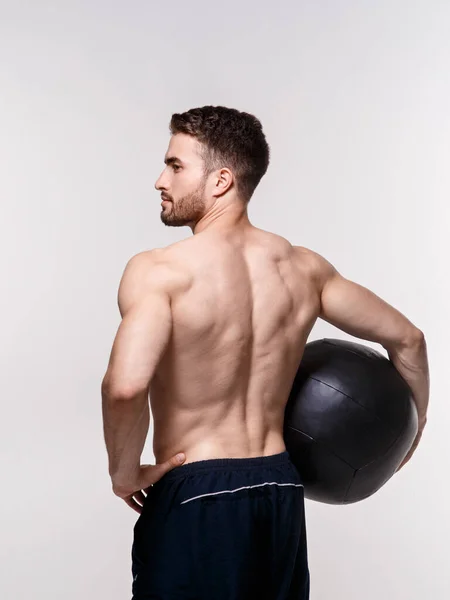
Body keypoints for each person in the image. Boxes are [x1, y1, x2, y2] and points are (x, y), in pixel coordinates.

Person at [101, 106, 429, 599]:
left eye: (175, 165)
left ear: (221, 181)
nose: (159, 180)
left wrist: (124, 474)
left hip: (196, 489)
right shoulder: (303, 270)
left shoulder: (160, 271)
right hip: (277, 487)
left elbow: (126, 386)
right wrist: (412, 431)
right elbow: (409, 340)